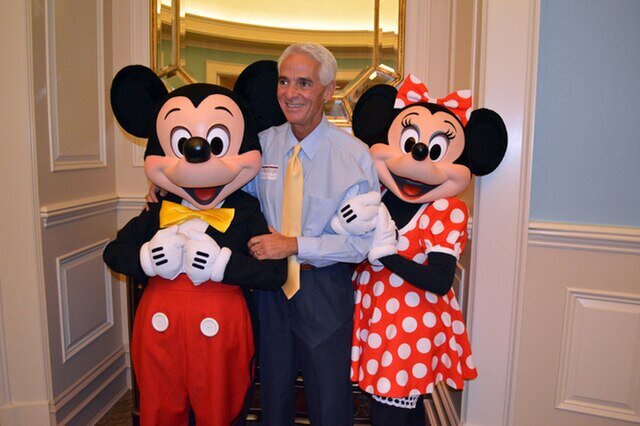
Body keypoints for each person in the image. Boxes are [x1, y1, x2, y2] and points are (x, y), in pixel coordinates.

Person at [244, 43, 380, 425]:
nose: (290, 93)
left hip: (323, 287)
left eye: (304, 83)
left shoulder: (354, 156)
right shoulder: (262, 145)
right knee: (271, 392)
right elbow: (231, 192)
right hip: (271, 288)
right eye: (284, 81)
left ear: (328, 90)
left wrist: (294, 245)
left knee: (328, 399)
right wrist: (165, 192)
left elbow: (359, 243)